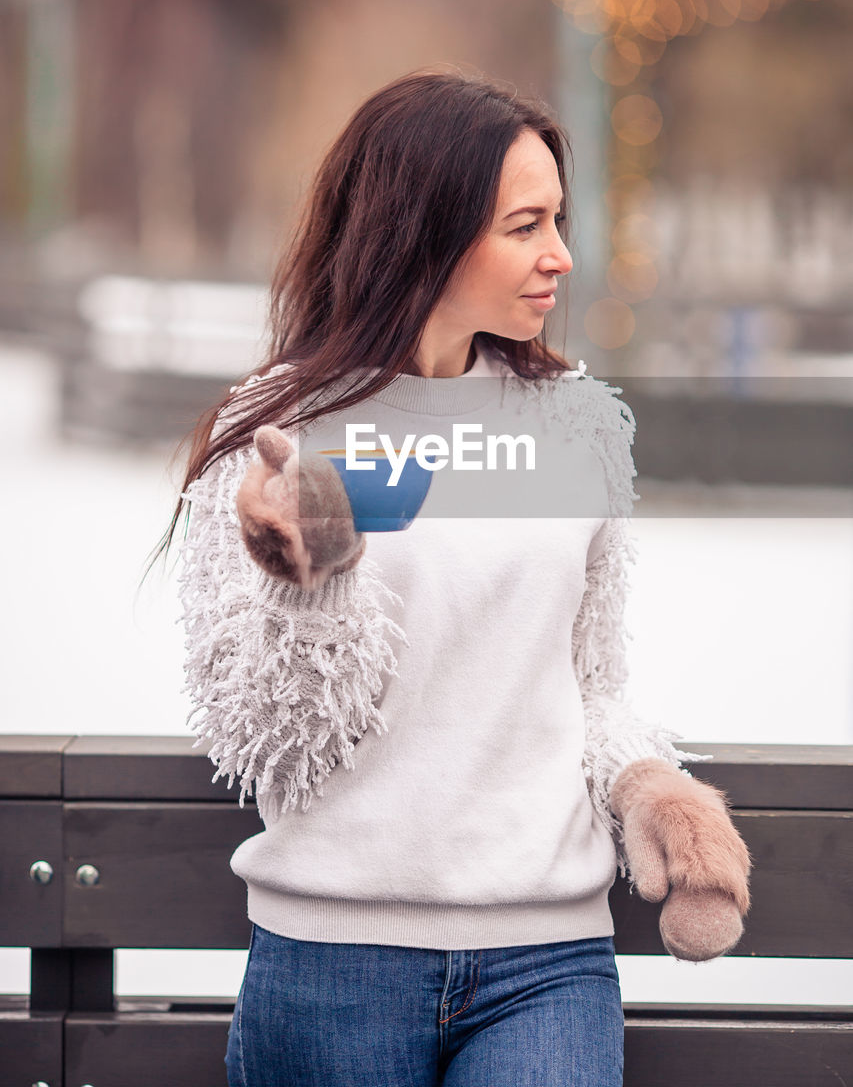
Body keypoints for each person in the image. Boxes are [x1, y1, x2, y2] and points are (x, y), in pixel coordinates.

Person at [165, 69, 752, 1087]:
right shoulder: (275, 435)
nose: (560, 255)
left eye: (557, 219)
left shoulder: (574, 425)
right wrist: (308, 582)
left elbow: (586, 679)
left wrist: (644, 781)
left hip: (548, 961)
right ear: (422, 233)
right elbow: (264, 741)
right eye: (525, 225)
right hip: (333, 961)